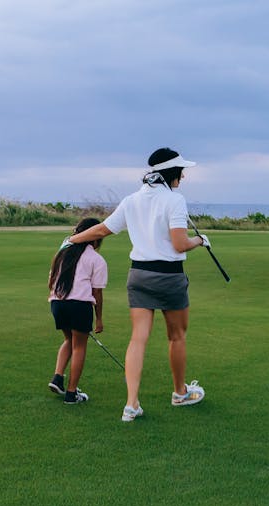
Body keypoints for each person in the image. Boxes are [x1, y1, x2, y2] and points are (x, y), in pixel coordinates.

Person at [65, 147, 211, 421]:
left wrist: (72, 239)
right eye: (181, 172)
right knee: (176, 336)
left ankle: (131, 404)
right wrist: (200, 241)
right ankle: (180, 393)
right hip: (169, 276)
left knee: (138, 338)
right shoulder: (175, 200)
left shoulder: (132, 199)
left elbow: (102, 230)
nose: (184, 176)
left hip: (139, 275)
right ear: (172, 173)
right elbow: (180, 244)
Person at [48, 218, 108, 404]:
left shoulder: (62, 253)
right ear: (95, 238)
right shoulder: (96, 259)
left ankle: (58, 378)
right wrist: (98, 319)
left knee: (69, 339)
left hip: (57, 303)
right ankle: (71, 393)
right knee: (79, 346)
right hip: (79, 305)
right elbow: (96, 293)